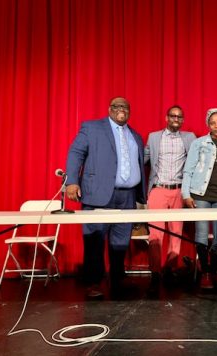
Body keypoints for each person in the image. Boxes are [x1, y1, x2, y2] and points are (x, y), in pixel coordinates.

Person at [65, 97, 147, 298]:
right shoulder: (92, 128)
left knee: (121, 241)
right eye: (117, 106)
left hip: (127, 196)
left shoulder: (135, 135)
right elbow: (76, 153)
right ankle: (93, 281)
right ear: (109, 109)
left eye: (125, 107)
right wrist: (72, 181)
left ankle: (118, 277)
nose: (122, 110)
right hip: (98, 194)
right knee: (94, 240)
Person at [181, 108, 217, 290]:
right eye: (213, 123)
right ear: (208, 124)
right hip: (200, 194)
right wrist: (186, 194)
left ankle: (212, 270)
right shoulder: (199, 143)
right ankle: (206, 273)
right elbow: (188, 170)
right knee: (202, 235)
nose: (216, 126)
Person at [144, 105, 196, 289]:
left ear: (182, 120)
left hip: (179, 190)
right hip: (158, 189)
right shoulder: (154, 137)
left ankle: (171, 268)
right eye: (173, 116)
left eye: (179, 117)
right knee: (155, 233)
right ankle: (156, 271)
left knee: (176, 232)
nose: (176, 119)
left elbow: (197, 160)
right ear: (166, 118)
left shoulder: (190, 138)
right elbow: (143, 158)